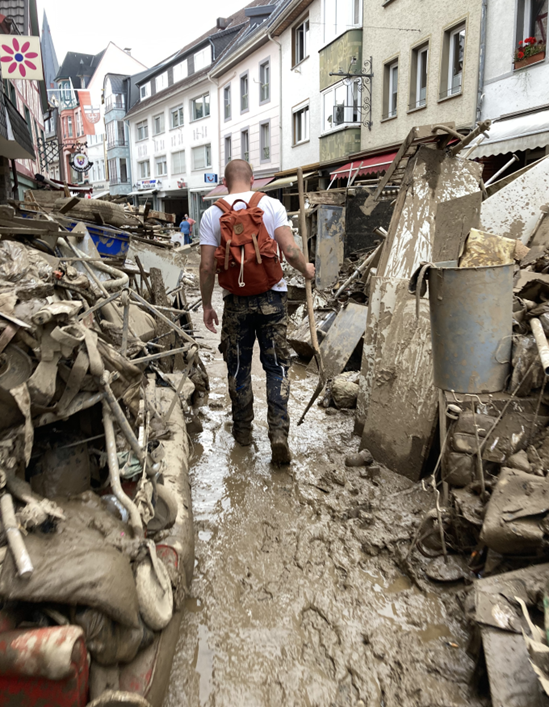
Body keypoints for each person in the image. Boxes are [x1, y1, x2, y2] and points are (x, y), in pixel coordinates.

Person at [199, 159, 315, 465]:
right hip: (272, 300)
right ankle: (278, 434)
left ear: (224, 183)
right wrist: (307, 268)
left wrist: (207, 304)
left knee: (239, 370)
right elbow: (289, 250)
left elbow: (208, 266)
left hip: (235, 303)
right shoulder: (272, 205)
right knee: (277, 368)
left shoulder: (212, 214)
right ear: (253, 180)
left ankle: (243, 434)